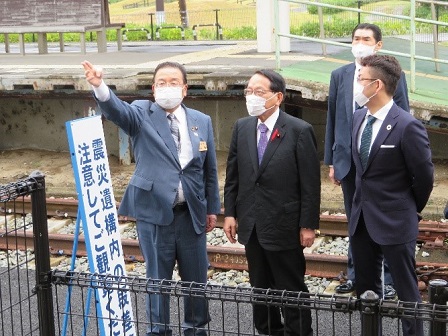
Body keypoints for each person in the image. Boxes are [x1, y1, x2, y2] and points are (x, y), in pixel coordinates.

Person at [82, 60, 221, 336]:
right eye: (161, 83)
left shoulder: (201, 121)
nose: (166, 87)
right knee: (158, 280)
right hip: (155, 214)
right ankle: (159, 331)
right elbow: (116, 111)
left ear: (184, 89)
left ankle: (196, 330)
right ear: (153, 89)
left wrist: (211, 209)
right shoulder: (141, 113)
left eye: (173, 83)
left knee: (196, 280)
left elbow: (209, 169)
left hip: (192, 213)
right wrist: (99, 87)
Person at [223, 69, 320, 336]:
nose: (251, 97)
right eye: (248, 92)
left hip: (285, 224)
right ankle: (268, 331)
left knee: (290, 288)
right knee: (260, 287)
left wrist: (308, 225)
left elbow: (310, 184)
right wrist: (229, 213)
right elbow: (234, 175)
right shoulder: (242, 127)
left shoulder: (299, 130)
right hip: (252, 224)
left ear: (277, 97)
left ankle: (298, 332)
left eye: (259, 92)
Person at [324, 23, 409, 298]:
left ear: (378, 44)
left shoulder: (393, 75)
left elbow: (403, 116)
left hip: (381, 161)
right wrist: (331, 160)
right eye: (356, 38)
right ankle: (357, 276)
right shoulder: (340, 75)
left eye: (366, 38)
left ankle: (388, 280)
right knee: (355, 221)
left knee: (383, 221)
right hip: (349, 162)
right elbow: (333, 119)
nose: (360, 42)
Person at [350, 54, 433, 336]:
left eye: (360, 79)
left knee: (407, 291)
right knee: (367, 292)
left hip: (396, 221)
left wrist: (406, 208)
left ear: (376, 85)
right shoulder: (358, 118)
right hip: (362, 221)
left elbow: (424, 178)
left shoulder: (407, 125)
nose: (356, 84)